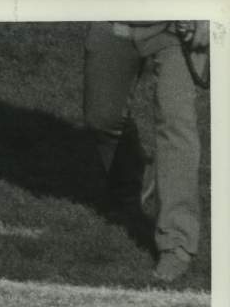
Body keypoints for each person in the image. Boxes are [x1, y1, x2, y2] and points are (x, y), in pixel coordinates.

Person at [83, 21, 208, 283]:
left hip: (175, 26)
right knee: (102, 118)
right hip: (113, 18)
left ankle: (177, 242)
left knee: (175, 123)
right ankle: (133, 179)